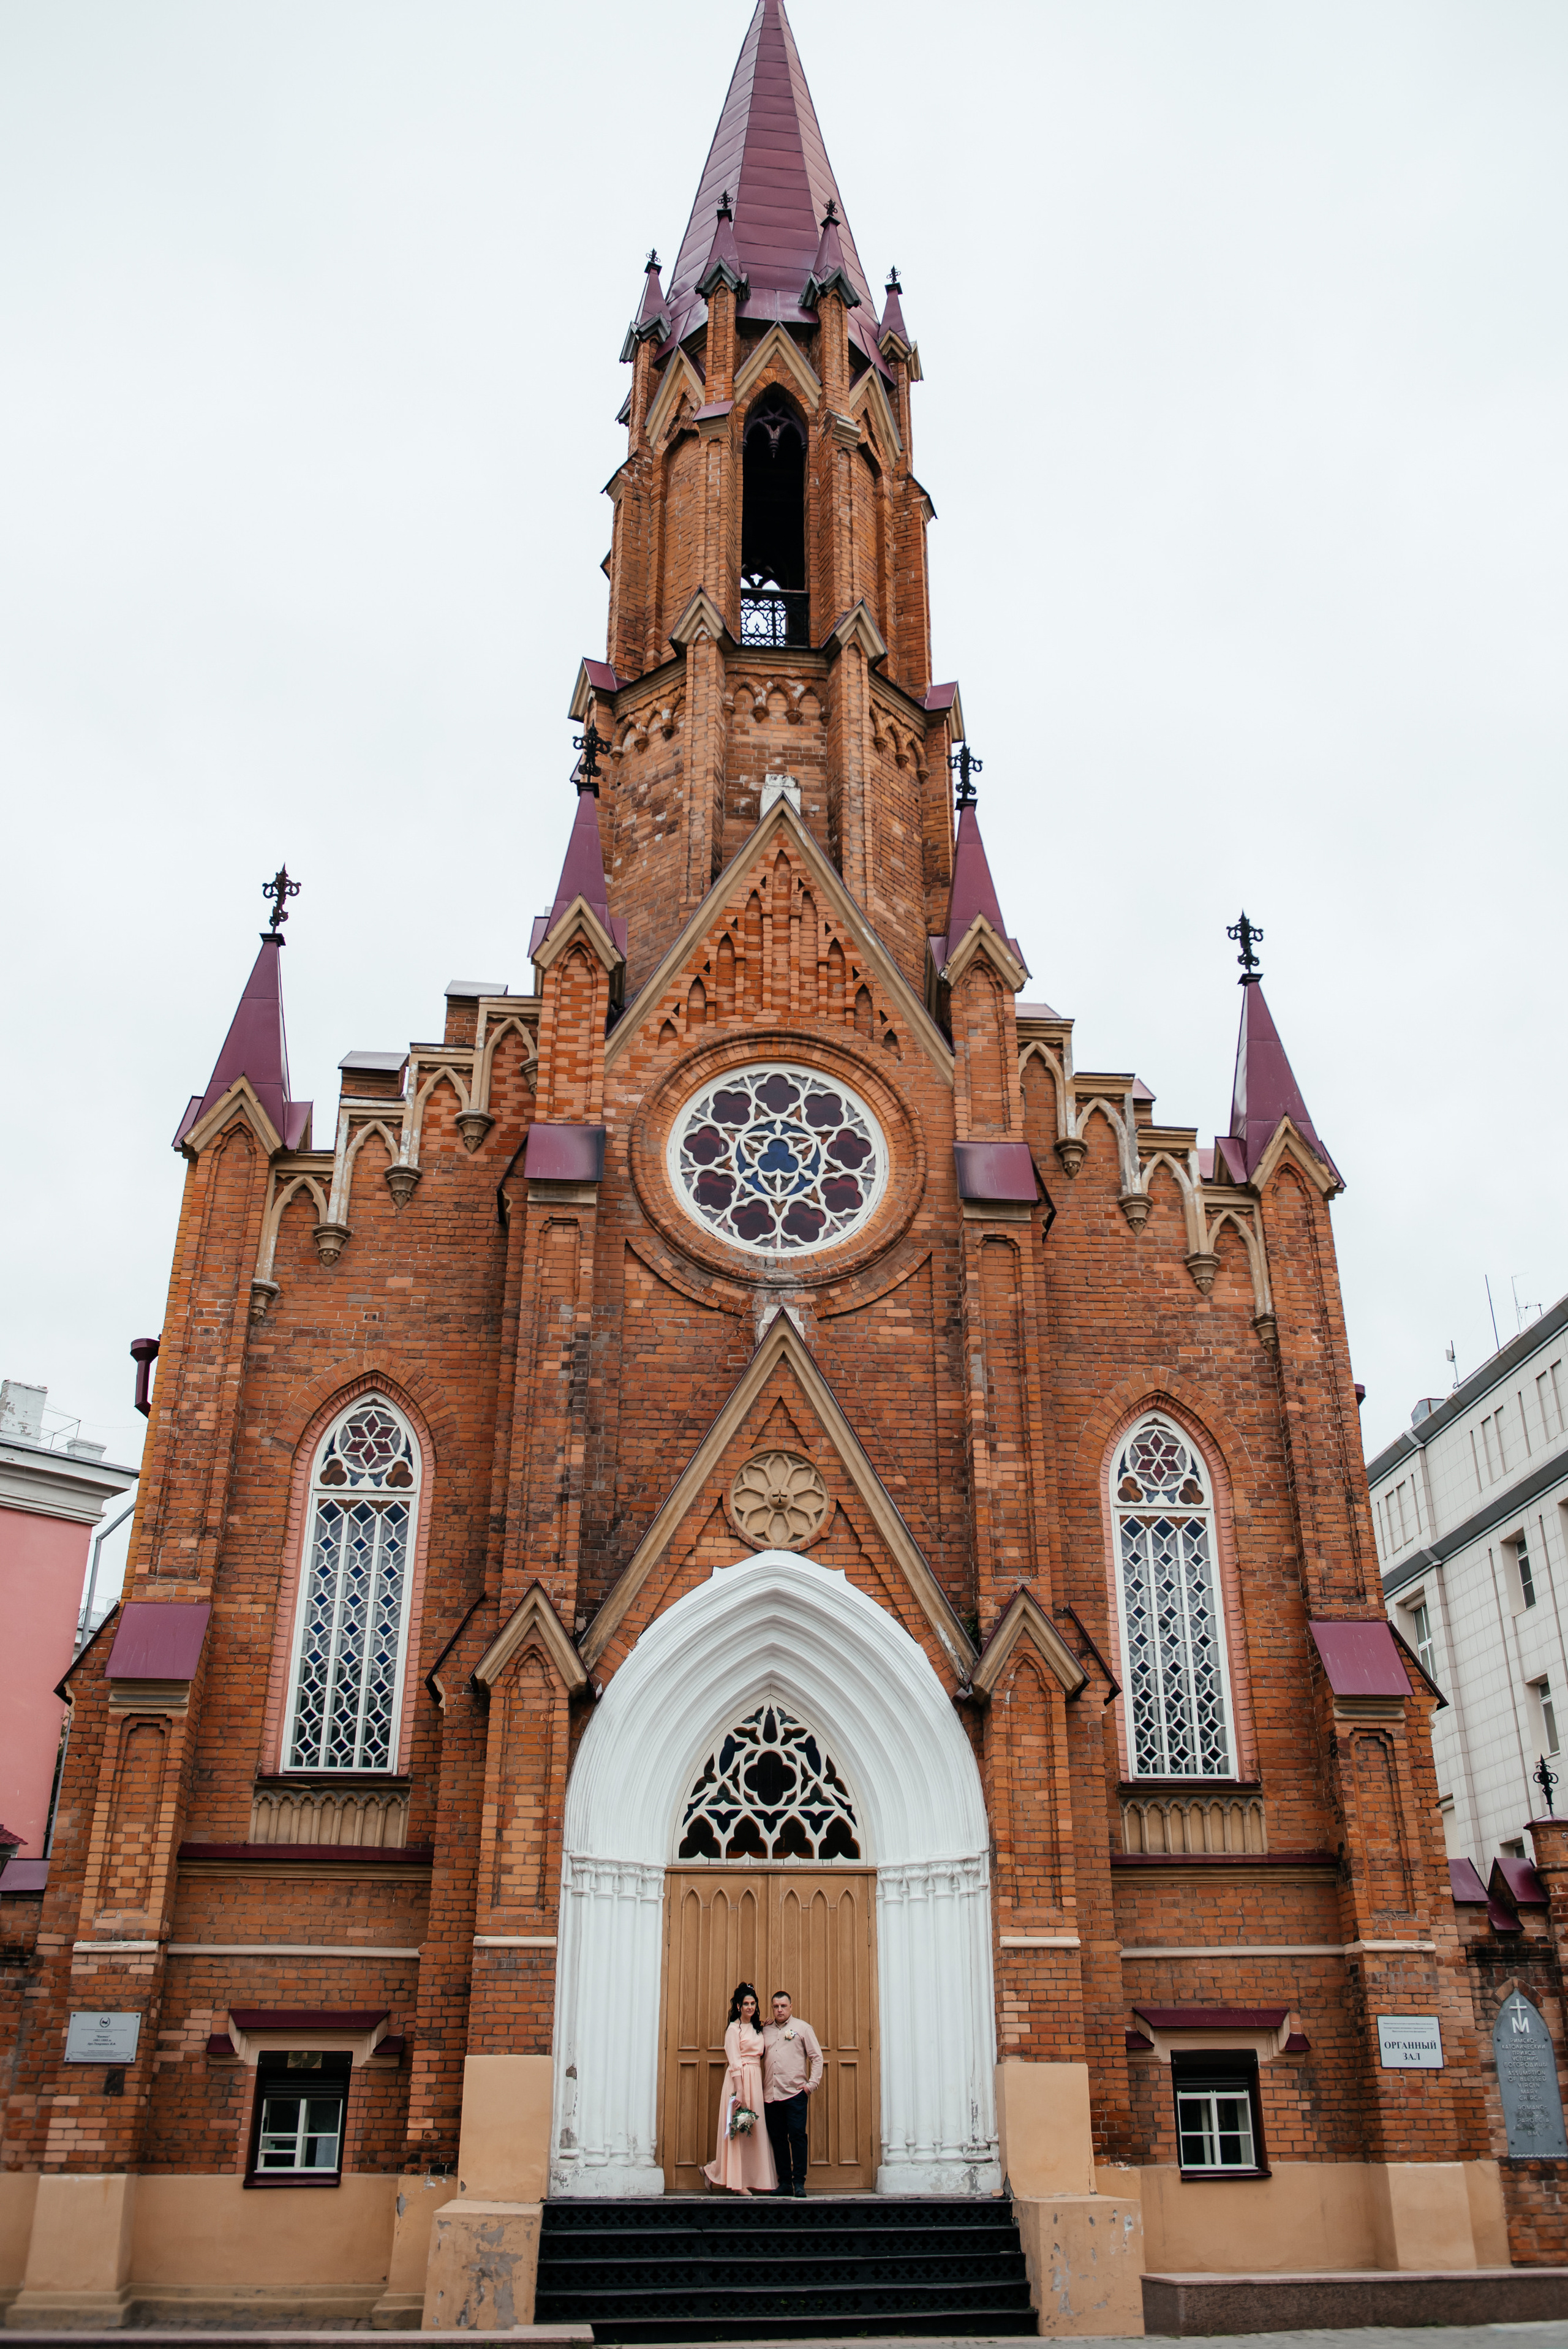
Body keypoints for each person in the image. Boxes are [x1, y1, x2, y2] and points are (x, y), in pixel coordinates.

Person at [703, 1982, 778, 2194]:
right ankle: (737, 2184)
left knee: (752, 2131)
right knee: (738, 2129)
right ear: (738, 2006)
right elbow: (734, 2060)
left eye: (753, 2003)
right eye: (746, 2003)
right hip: (740, 2080)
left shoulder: (758, 2028)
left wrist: (768, 2026)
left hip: (756, 2079)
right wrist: (740, 2090)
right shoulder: (733, 2030)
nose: (750, 2007)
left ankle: (716, 2171)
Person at [761, 1988, 823, 2196]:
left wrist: (811, 2085)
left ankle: (799, 2183)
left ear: (791, 2007)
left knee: (797, 2137)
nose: (780, 2010)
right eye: (776, 2007)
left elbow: (816, 2057)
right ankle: (785, 2182)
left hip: (796, 2093)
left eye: (783, 2006)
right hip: (771, 2094)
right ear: (773, 2008)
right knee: (778, 2139)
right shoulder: (766, 2030)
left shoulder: (803, 2028)